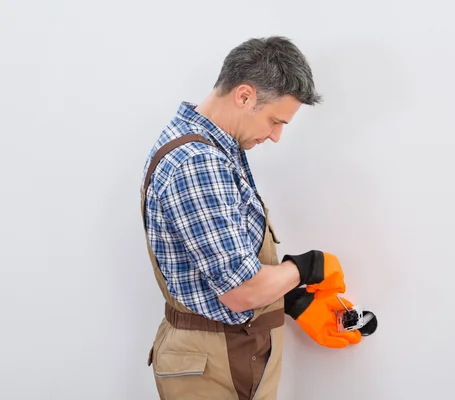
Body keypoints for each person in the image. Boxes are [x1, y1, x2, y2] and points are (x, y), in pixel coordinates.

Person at [140, 36, 362, 400]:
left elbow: (220, 262)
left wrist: (290, 300)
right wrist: (308, 268)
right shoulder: (200, 163)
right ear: (244, 96)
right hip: (216, 366)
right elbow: (241, 292)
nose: (275, 136)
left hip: (227, 356)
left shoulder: (215, 146)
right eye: (275, 121)